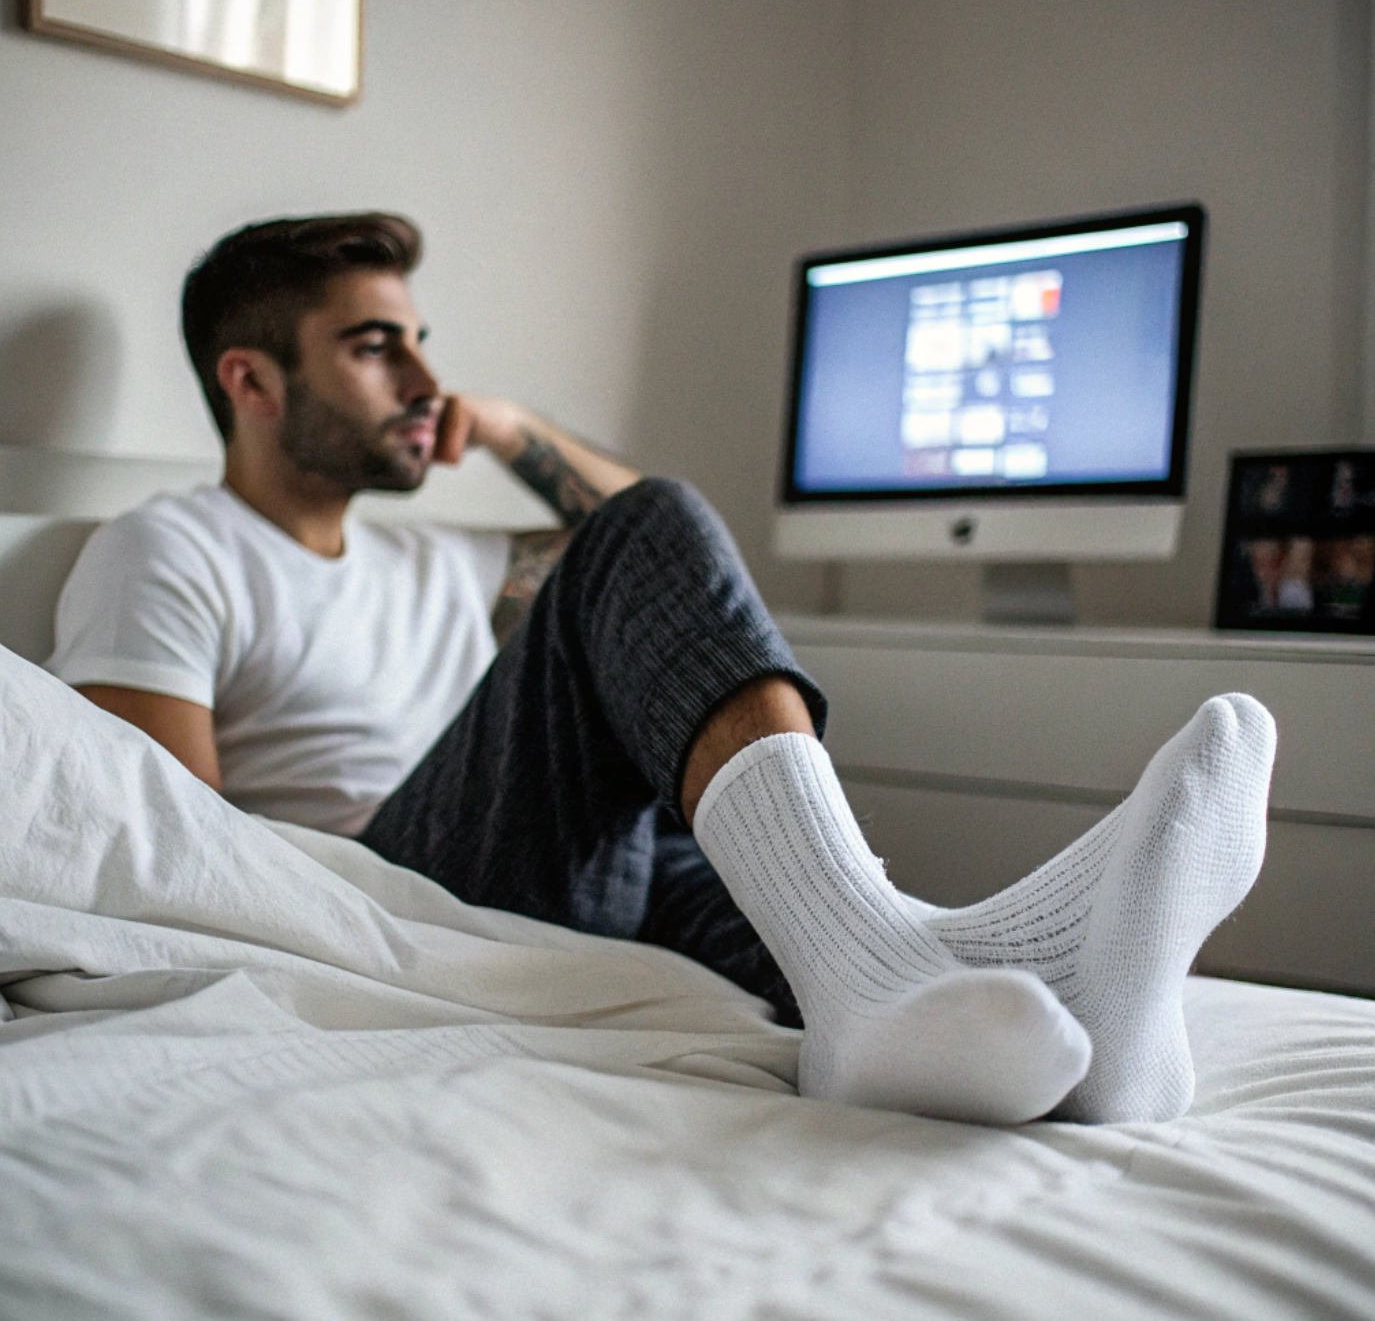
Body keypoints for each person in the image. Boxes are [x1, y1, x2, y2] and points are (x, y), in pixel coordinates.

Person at [48, 213, 1277, 1127]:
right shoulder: (167, 548)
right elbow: (171, 857)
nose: (426, 383)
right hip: (384, 901)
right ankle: (879, 961)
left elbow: (672, 578)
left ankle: (1037, 1009)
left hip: (551, 888)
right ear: (251, 379)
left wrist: (515, 430)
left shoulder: (444, 558)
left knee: (694, 775)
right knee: (649, 543)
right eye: (377, 349)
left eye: (422, 344)